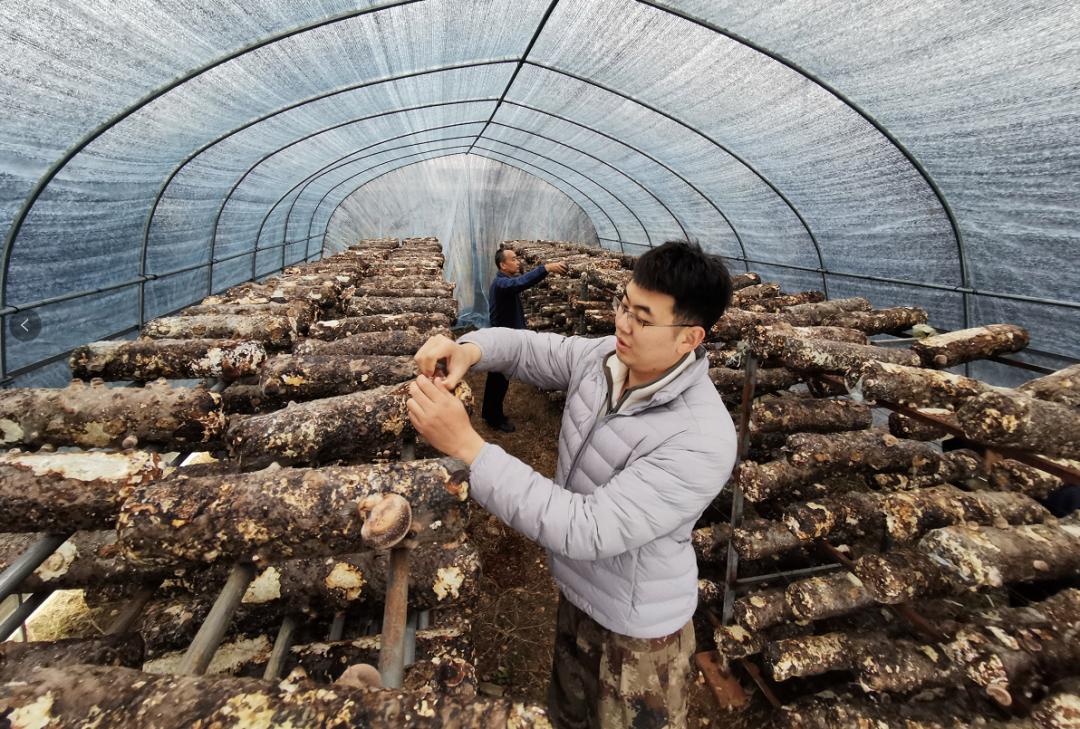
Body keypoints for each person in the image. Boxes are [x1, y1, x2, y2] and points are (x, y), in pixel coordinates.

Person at [407, 240, 737, 728]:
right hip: (579, 595)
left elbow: (589, 529)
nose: (623, 324)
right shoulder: (607, 359)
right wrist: (469, 348)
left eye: (643, 318)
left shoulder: (701, 437)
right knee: (567, 713)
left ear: (689, 338)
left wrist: (468, 449)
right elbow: (530, 348)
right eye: (624, 305)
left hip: (637, 634)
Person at [482, 246, 568, 432]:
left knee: (498, 379)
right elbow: (520, 283)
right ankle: (494, 419)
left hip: (506, 338)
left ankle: (490, 414)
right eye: (513, 259)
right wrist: (545, 268)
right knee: (499, 380)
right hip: (503, 340)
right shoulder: (502, 284)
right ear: (503, 265)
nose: (518, 261)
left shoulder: (504, 281)